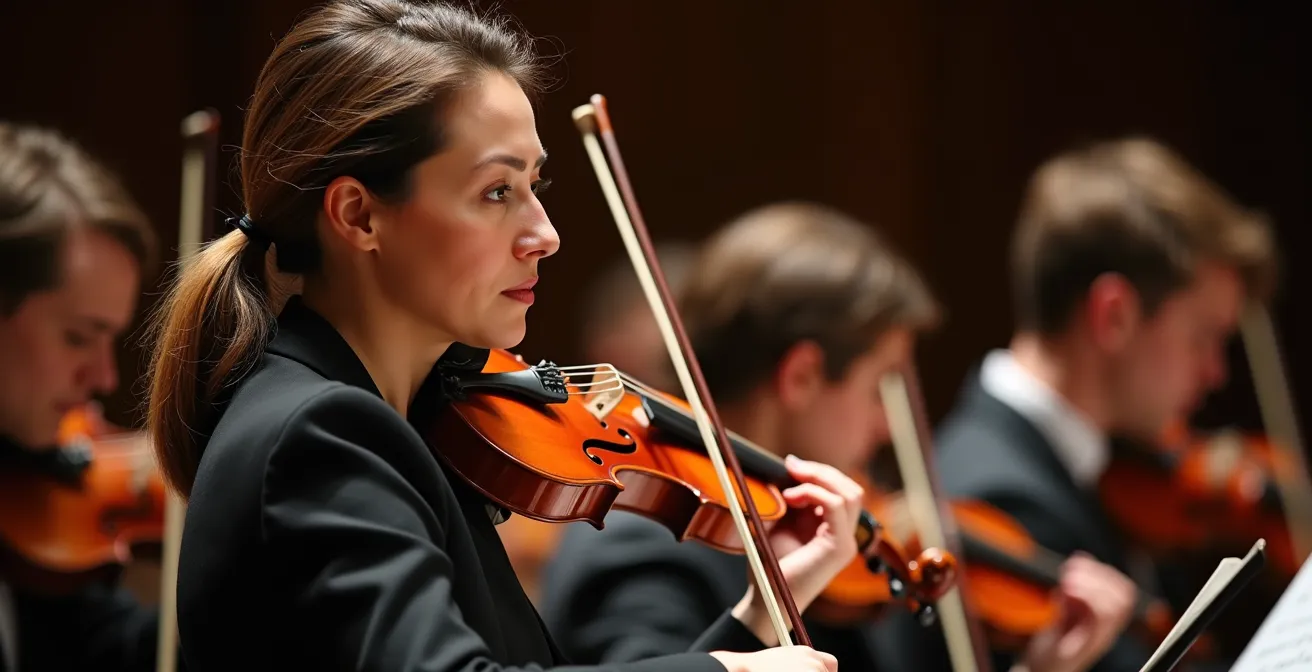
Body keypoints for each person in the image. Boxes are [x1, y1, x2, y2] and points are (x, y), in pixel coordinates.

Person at [142, 2, 865, 671]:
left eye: (534, 187)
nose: (544, 236)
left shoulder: (406, 425)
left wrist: (756, 618)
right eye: (496, 192)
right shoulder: (320, 434)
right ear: (360, 216)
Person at [539, 202, 1137, 672]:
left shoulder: (821, 552)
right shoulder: (639, 549)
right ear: (800, 376)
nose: (885, 427)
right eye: (880, 387)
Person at [876, 137, 1277, 671]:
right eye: (1203, 337)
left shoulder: (1091, 470)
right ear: (1113, 315)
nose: (1215, 372)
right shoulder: (1006, 502)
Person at [0, 121, 169, 671]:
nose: (103, 378)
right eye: (78, 337)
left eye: (109, 340)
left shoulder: (31, 508)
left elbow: (105, 648)